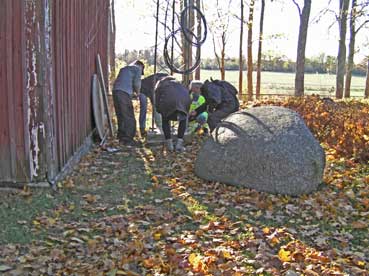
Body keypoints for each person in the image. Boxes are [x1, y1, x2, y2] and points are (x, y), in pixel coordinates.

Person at [112, 60, 144, 146]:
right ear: (141, 66)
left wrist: (131, 94)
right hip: (124, 93)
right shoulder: (137, 69)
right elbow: (137, 84)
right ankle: (128, 140)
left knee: (121, 115)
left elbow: (124, 82)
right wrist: (137, 94)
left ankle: (121, 137)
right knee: (129, 116)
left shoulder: (124, 69)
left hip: (115, 91)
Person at [154, 76, 191, 152]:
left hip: (168, 104)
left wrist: (159, 110)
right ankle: (179, 144)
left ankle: (169, 145)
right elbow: (187, 96)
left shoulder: (161, 86)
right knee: (183, 119)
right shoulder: (180, 85)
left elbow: (157, 101)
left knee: (165, 120)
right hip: (183, 104)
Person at [138, 73, 168, 137]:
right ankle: (142, 128)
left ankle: (160, 126)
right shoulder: (157, 82)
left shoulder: (165, 82)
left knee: (157, 106)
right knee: (144, 107)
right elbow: (153, 95)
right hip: (141, 89)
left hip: (150, 89)